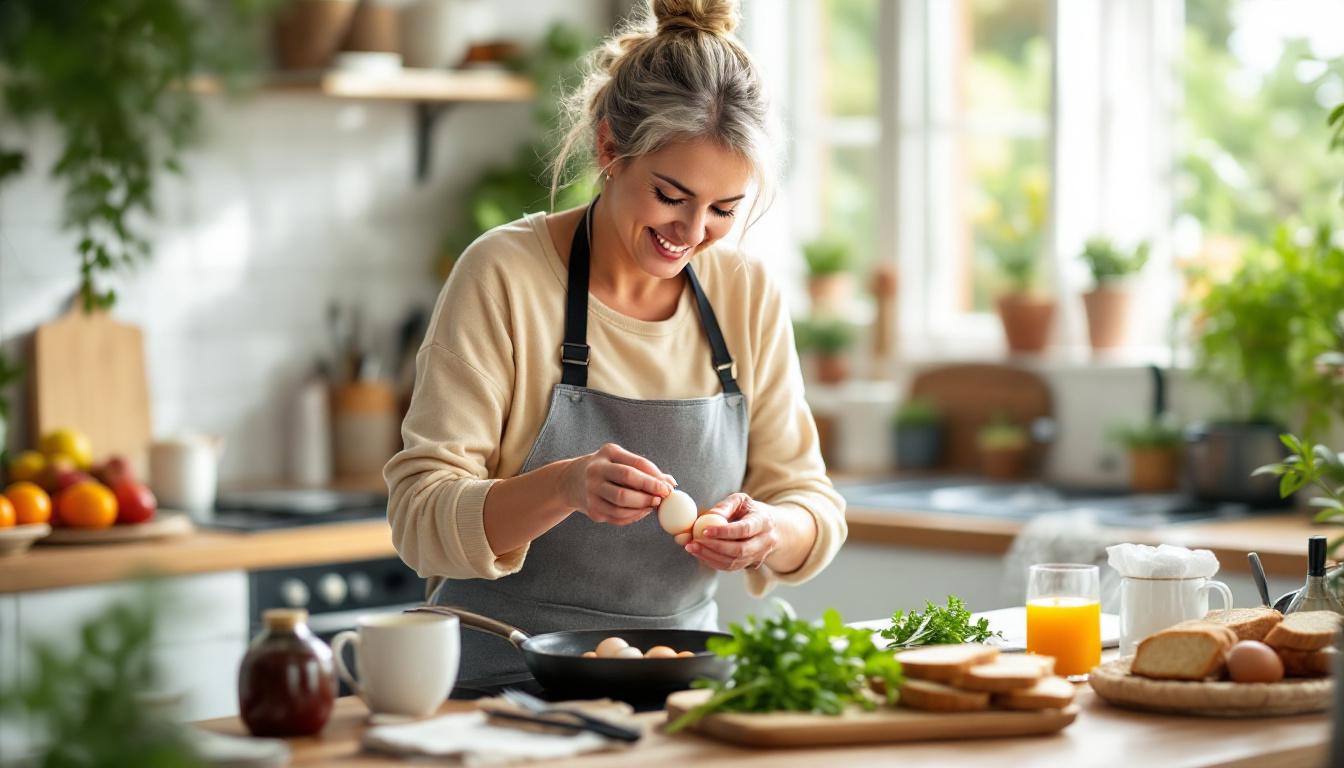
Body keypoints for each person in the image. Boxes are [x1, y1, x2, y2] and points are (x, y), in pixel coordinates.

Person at [384, 0, 846, 681]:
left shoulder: (744, 292)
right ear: (609, 149)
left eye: (723, 210)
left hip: (680, 683)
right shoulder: (505, 274)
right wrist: (564, 486)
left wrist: (771, 531)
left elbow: (810, 499)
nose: (691, 231)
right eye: (670, 195)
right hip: (501, 684)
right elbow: (417, 515)